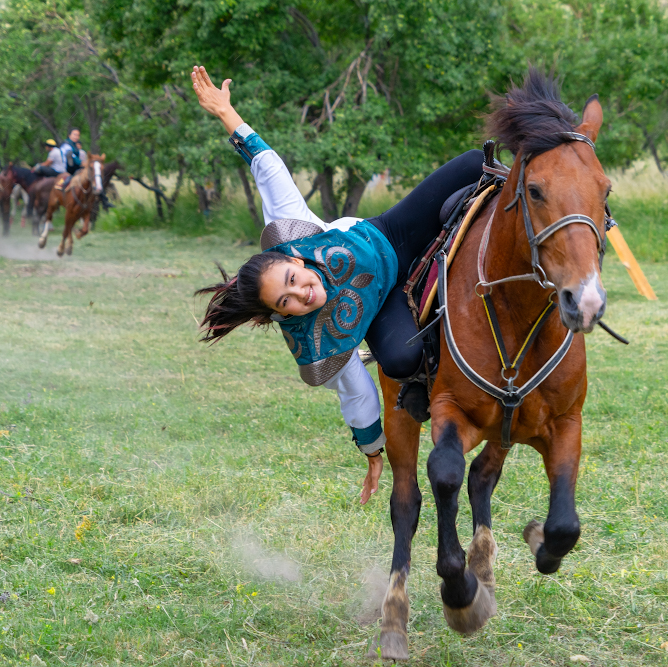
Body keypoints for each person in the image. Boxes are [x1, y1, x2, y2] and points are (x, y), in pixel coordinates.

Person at [190, 65, 483, 504]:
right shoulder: (317, 339)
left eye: (293, 280)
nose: (301, 293)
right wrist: (372, 451)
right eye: (287, 301)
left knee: (475, 161)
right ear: (282, 315)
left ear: (294, 259)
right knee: (400, 359)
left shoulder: (295, 232)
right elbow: (356, 392)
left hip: (392, 235)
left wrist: (226, 114)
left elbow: (269, 169)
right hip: (385, 304)